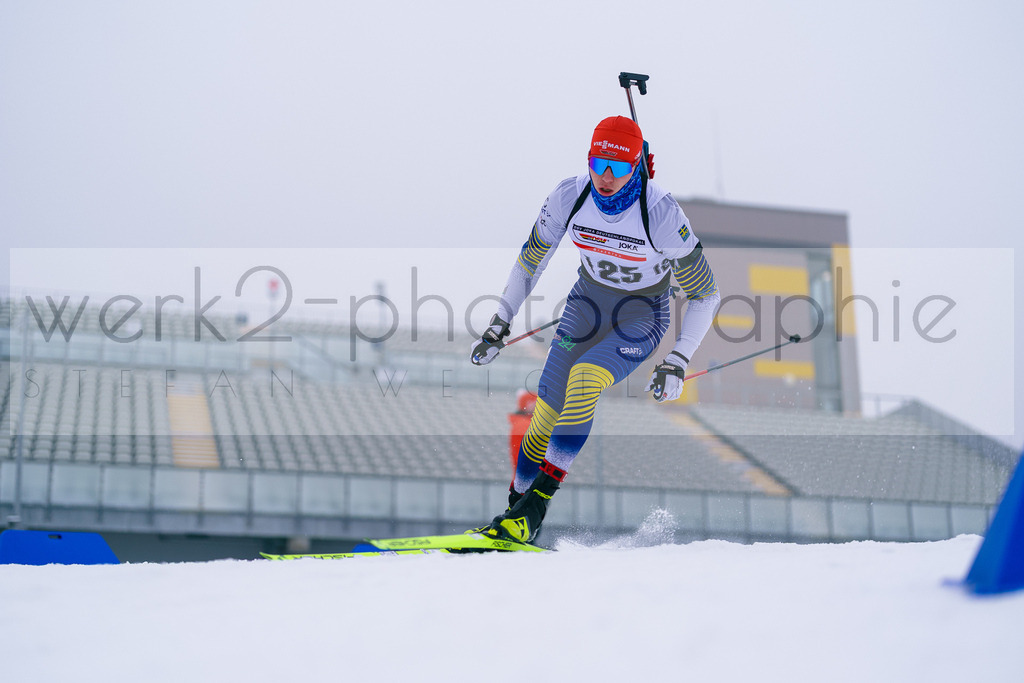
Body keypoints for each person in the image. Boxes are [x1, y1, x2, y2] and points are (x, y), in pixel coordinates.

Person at [469, 116, 721, 543]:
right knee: (546, 410)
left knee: (585, 380)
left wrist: (677, 360)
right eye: (598, 163)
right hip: (586, 304)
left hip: (642, 316)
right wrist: (500, 322)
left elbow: (706, 295)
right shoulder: (570, 195)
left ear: (637, 166)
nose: (606, 177)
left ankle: (536, 506)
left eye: (619, 168)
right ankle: (515, 513)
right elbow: (531, 261)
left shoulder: (660, 213)